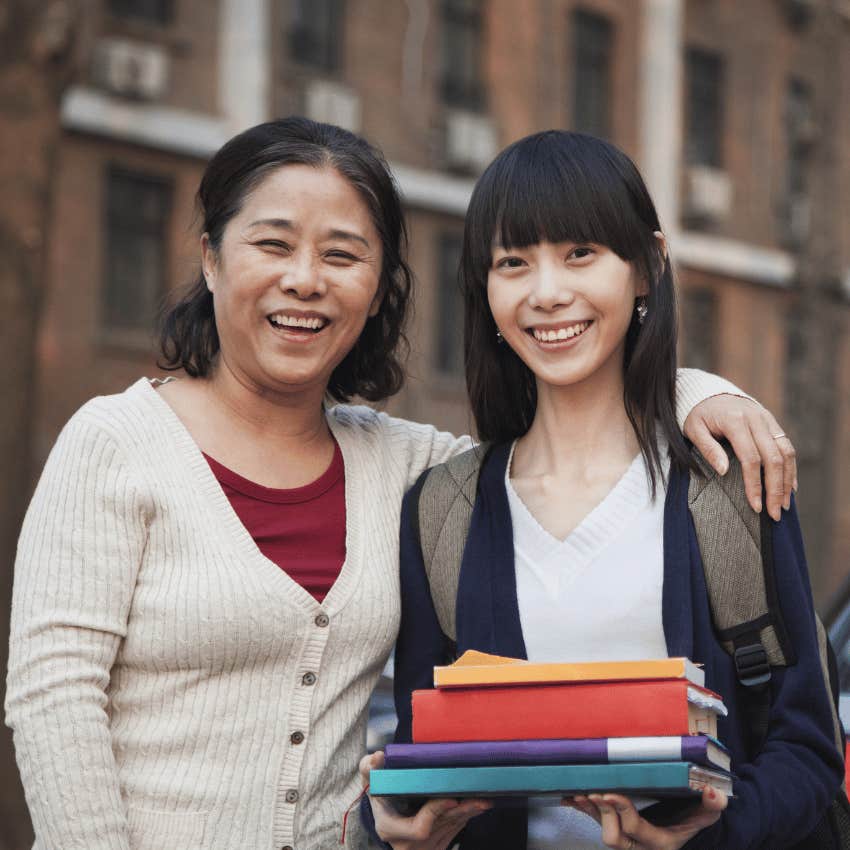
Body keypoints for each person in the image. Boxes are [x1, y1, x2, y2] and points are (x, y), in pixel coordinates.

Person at [6, 118, 798, 850]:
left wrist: (693, 390)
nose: (305, 280)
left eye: (343, 255)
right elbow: (53, 703)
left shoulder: (410, 470)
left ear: (382, 285)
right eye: (272, 245)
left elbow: (569, 434)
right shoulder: (116, 445)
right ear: (212, 258)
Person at [361, 131, 842, 849]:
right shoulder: (442, 510)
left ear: (646, 267)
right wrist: (405, 824)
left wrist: (712, 834)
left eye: (580, 253)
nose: (548, 292)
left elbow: (808, 747)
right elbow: (432, 747)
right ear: (486, 292)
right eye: (513, 264)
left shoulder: (731, 481)